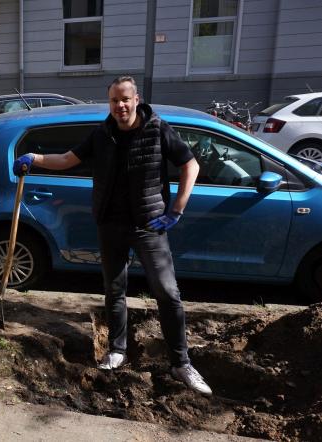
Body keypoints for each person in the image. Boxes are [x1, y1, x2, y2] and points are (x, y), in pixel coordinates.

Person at [12, 76, 212, 395]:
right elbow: (66, 160)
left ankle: (181, 363)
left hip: (149, 225)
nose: (119, 106)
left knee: (167, 292)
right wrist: (34, 159)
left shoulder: (158, 130)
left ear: (136, 100)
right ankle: (117, 350)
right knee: (114, 289)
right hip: (110, 225)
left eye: (125, 99)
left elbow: (191, 166)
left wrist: (176, 210)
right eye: (114, 101)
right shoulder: (102, 134)